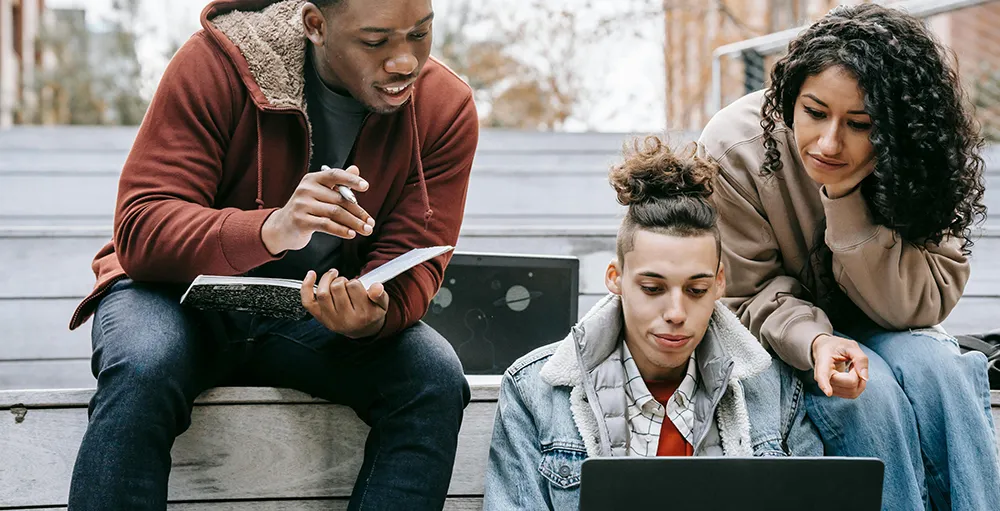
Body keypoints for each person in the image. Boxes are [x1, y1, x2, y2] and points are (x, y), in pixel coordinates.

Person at [65, 0, 478, 509]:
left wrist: (373, 315)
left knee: (433, 375)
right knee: (146, 363)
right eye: (376, 41)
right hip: (173, 297)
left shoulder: (444, 106)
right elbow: (142, 227)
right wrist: (271, 228)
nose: (404, 62)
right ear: (316, 26)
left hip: (307, 314)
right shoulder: (218, 63)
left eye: (420, 34)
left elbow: (417, 256)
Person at [698, 4, 1000, 510]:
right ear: (791, 96)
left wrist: (844, 199)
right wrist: (816, 341)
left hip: (894, 326)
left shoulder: (918, 151)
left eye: (860, 124)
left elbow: (922, 303)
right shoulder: (734, 147)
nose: (829, 142)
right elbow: (747, 293)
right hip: (787, 342)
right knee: (865, 393)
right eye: (814, 113)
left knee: (940, 372)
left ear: (895, 128)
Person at [483, 137, 784, 510]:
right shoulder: (535, 391)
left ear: (720, 283)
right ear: (616, 279)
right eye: (653, 288)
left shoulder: (776, 392)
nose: (676, 312)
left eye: (697, 289)